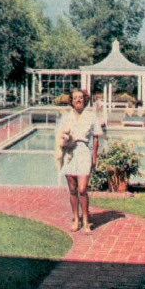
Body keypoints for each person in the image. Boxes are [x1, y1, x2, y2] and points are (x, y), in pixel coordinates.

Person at [56, 89, 102, 234]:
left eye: (81, 98)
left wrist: (95, 157)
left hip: (83, 152)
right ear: (71, 100)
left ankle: (87, 221)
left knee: (82, 189)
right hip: (69, 153)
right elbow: (59, 136)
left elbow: (96, 137)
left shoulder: (91, 116)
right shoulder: (66, 117)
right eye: (75, 98)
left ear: (85, 100)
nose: (78, 100)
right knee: (73, 189)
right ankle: (76, 218)